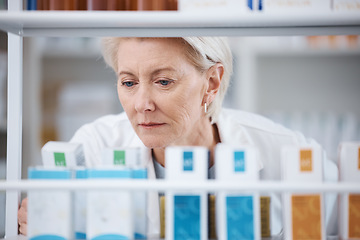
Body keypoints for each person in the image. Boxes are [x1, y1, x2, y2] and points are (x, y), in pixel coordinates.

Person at [18, 37, 338, 238]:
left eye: (164, 82)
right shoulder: (95, 147)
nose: (142, 104)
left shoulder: (285, 151)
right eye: (128, 83)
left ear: (211, 83)